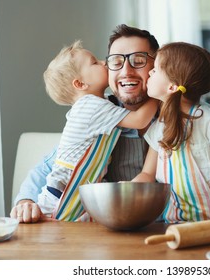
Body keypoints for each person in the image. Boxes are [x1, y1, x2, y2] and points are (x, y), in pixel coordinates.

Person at [10, 24, 210, 223]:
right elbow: (54, 165)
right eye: (116, 62)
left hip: (181, 227)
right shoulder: (103, 118)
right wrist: (25, 201)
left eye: (139, 61)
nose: (127, 71)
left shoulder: (202, 118)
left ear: (161, 70)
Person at [132, 42, 210, 224]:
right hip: (177, 221)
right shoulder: (159, 126)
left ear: (172, 87)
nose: (149, 72)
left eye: (155, 70)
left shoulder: (208, 120)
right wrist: (127, 189)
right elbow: (147, 174)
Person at [37, 40, 158, 220]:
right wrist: (159, 94)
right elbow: (140, 120)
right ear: (80, 84)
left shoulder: (101, 104)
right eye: (94, 62)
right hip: (64, 189)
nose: (103, 62)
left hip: (83, 185)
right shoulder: (91, 106)